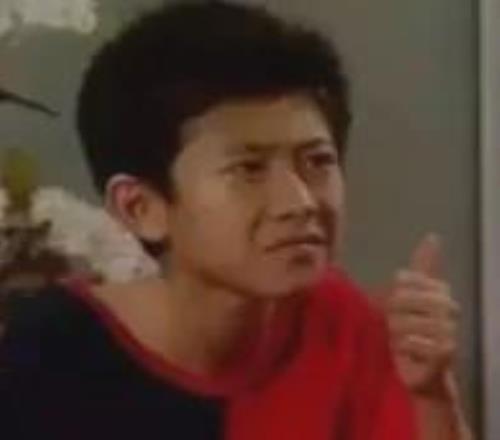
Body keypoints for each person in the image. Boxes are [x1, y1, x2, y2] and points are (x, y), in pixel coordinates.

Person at [0, 1, 471, 439]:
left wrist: (431, 395)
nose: (300, 201)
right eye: (249, 169)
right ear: (140, 208)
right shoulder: (44, 355)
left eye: (317, 161)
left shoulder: (342, 326)